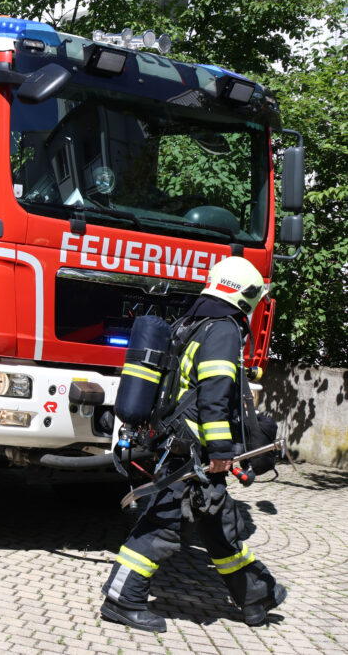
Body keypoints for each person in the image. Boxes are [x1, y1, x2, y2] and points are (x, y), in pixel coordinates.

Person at [100, 256, 287, 632]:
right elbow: (213, 397)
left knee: (221, 525)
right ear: (246, 294)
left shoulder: (195, 322)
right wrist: (220, 453)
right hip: (192, 453)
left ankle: (256, 596)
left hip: (184, 446)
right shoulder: (223, 329)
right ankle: (122, 599)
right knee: (162, 526)